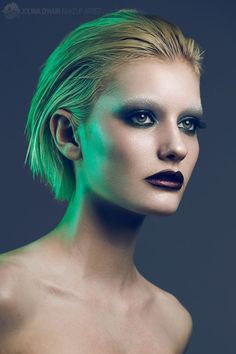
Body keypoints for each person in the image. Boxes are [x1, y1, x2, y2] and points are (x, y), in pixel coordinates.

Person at [0, 8, 206, 354]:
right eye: (142, 117)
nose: (176, 147)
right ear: (69, 134)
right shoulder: (7, 294)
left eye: (188, 124)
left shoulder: (172, 322)